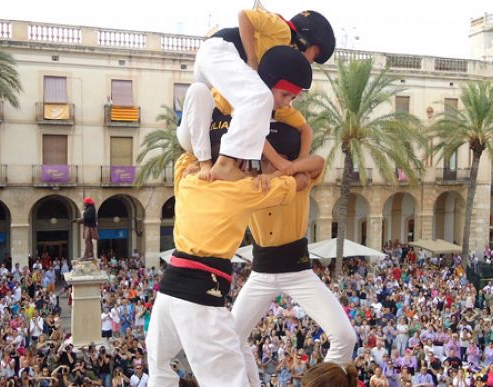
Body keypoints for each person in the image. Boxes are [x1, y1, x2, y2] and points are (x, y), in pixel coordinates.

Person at [145, 150, 299, 387]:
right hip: (202, 297)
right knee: (228, 381)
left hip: (168, 294)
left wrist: (201, 162)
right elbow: (300, 180)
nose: (251, 171)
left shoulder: (188, 180)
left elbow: (187, 151)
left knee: (159, 369)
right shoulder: (241, 190)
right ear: (235, 163)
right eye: (248, 165)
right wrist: (275, 170)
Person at [231, 119, 355, 386]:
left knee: (345, 337)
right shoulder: (249, 182)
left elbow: (317, 161)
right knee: (231, 338)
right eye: (263, 159)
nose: (265, 164)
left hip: (297, 271)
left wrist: (282, 168)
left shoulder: (297, 179)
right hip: (262, 273)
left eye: (270, 158)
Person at [188, 5, 334, 181]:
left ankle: (204, 161)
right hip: (221, 50)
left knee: (201, 98)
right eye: (314, 54)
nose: (310, 61)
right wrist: (252, 60)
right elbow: (244, 16)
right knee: (260, 98)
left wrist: (298, 163)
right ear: (308, 41)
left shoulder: (280, 57)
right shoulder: (283, 31)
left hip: (209, 63)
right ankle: (225, 164)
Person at [178, 45, 313, 181]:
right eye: (284, 95)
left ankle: (211, 163)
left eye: (292, 98)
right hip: (194, 134)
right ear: (266, 85)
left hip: (216, 146)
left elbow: (306, 130)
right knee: (198, 90)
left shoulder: (280, 107)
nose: (287, 102)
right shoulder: (247, 95)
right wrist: (279, 161)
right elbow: (251, 127)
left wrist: (300, 162)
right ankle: (204, 162)